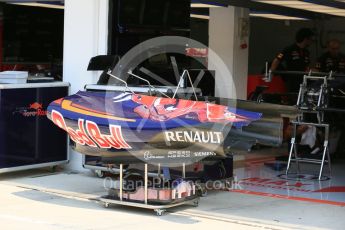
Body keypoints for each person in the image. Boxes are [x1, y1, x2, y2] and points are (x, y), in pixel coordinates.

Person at [270, 28, 314, 92]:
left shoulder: (306, 52)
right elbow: (277, 60)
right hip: (292, 81)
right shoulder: (289, 49)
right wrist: (271, 73)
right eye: (311, 39)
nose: (311, 41)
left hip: (304, 80)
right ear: (305, 39)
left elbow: (307, 66)